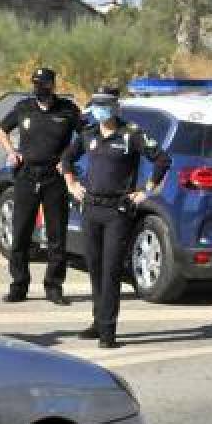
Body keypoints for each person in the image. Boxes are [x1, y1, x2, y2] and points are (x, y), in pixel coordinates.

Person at [61, 86, 172, 348]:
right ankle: (98, 321)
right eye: (97, 105)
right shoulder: (88, 133)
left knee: (111, 270)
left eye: (106, 105)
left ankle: (108, 331)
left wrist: (146, 191)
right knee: (95, 267)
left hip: (117, 212)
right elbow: (66, 158)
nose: (101, 110)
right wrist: (72, 184)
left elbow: (162, 160)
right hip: (90, 208)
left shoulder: (130, 134)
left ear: (116, 108)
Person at [0, 67, 83, 305]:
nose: (39, 89)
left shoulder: (67, 110)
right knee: (21, 232)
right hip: (26, 176)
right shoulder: (24, 107)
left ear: (53, 85)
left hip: (54, 179)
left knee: (57, 235)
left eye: (44, 85)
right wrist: (11, 152)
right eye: (36, 84)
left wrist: (67, 160)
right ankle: (19, 286)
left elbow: (85, 136)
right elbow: (1, 129)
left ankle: (54, 287)